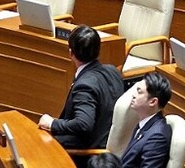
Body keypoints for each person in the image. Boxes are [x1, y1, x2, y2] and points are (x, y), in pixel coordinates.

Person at [38, 25, 124, 166]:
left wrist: (53, 124)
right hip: (106, 138)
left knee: (37, 141)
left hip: (89, 152)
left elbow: (84, 124)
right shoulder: (113, 71)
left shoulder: (85, 86)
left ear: (71, 53)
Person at [120, 72, 173, 168]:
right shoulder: (144, 124)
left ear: (153, 102)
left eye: (139, 92)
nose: (133, 95)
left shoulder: (157, 137)